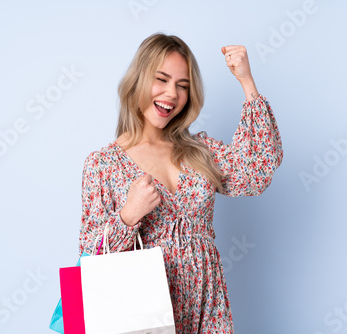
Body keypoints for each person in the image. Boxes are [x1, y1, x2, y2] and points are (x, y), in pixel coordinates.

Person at [78, 33, 283, 333]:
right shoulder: (103, 165)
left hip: (207, 307)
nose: (172, 94)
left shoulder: (200, 151)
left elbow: (257, 169)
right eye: (161, 79)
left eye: (182, 86)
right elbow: (89, 255)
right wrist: (128, 215)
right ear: (138, 81)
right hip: (142, 313)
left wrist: (247, 81)